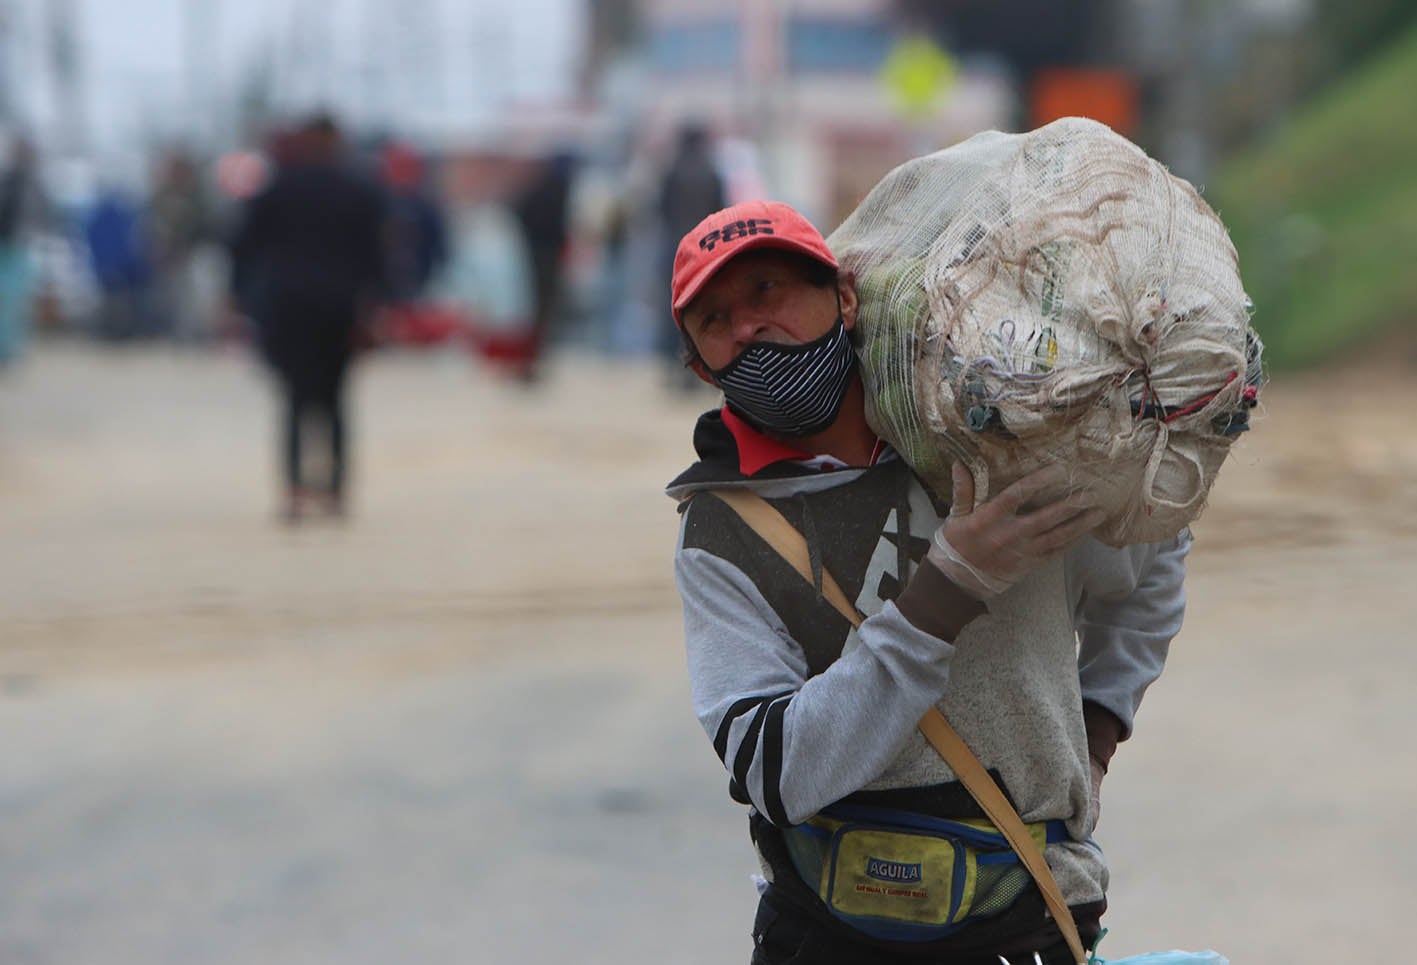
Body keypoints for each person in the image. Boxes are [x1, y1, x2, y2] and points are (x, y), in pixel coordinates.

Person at [664, 201, 1189, 964]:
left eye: (767, 289)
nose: (748, 326)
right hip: (824, 929)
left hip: (1022, 907)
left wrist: (1098, 729)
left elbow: (1153, 541)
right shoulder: (721, 528)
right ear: (699, 367)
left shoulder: (991, 437)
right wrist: (945, 589)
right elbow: (776, 771)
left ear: (844, 297)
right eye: (715, 319)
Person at [229, 113, 386, 522]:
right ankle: (335, 490)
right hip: (341, 307)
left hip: (290, 307)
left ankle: (295, 491)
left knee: (295, 399)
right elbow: (377, 255)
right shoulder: (358, 188)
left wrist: (236, 297)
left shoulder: (279, 187)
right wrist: (377, 306)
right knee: (335, 400)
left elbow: (243, 246)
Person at [655, 121, 724, 389]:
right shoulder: (711, 171)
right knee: (702, 308)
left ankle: (673, 368)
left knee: (672, 310)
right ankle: (699, 369)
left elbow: (660, 209)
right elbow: (720, 211)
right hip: (705, 250)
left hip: (674, 249)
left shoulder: (671, 170)